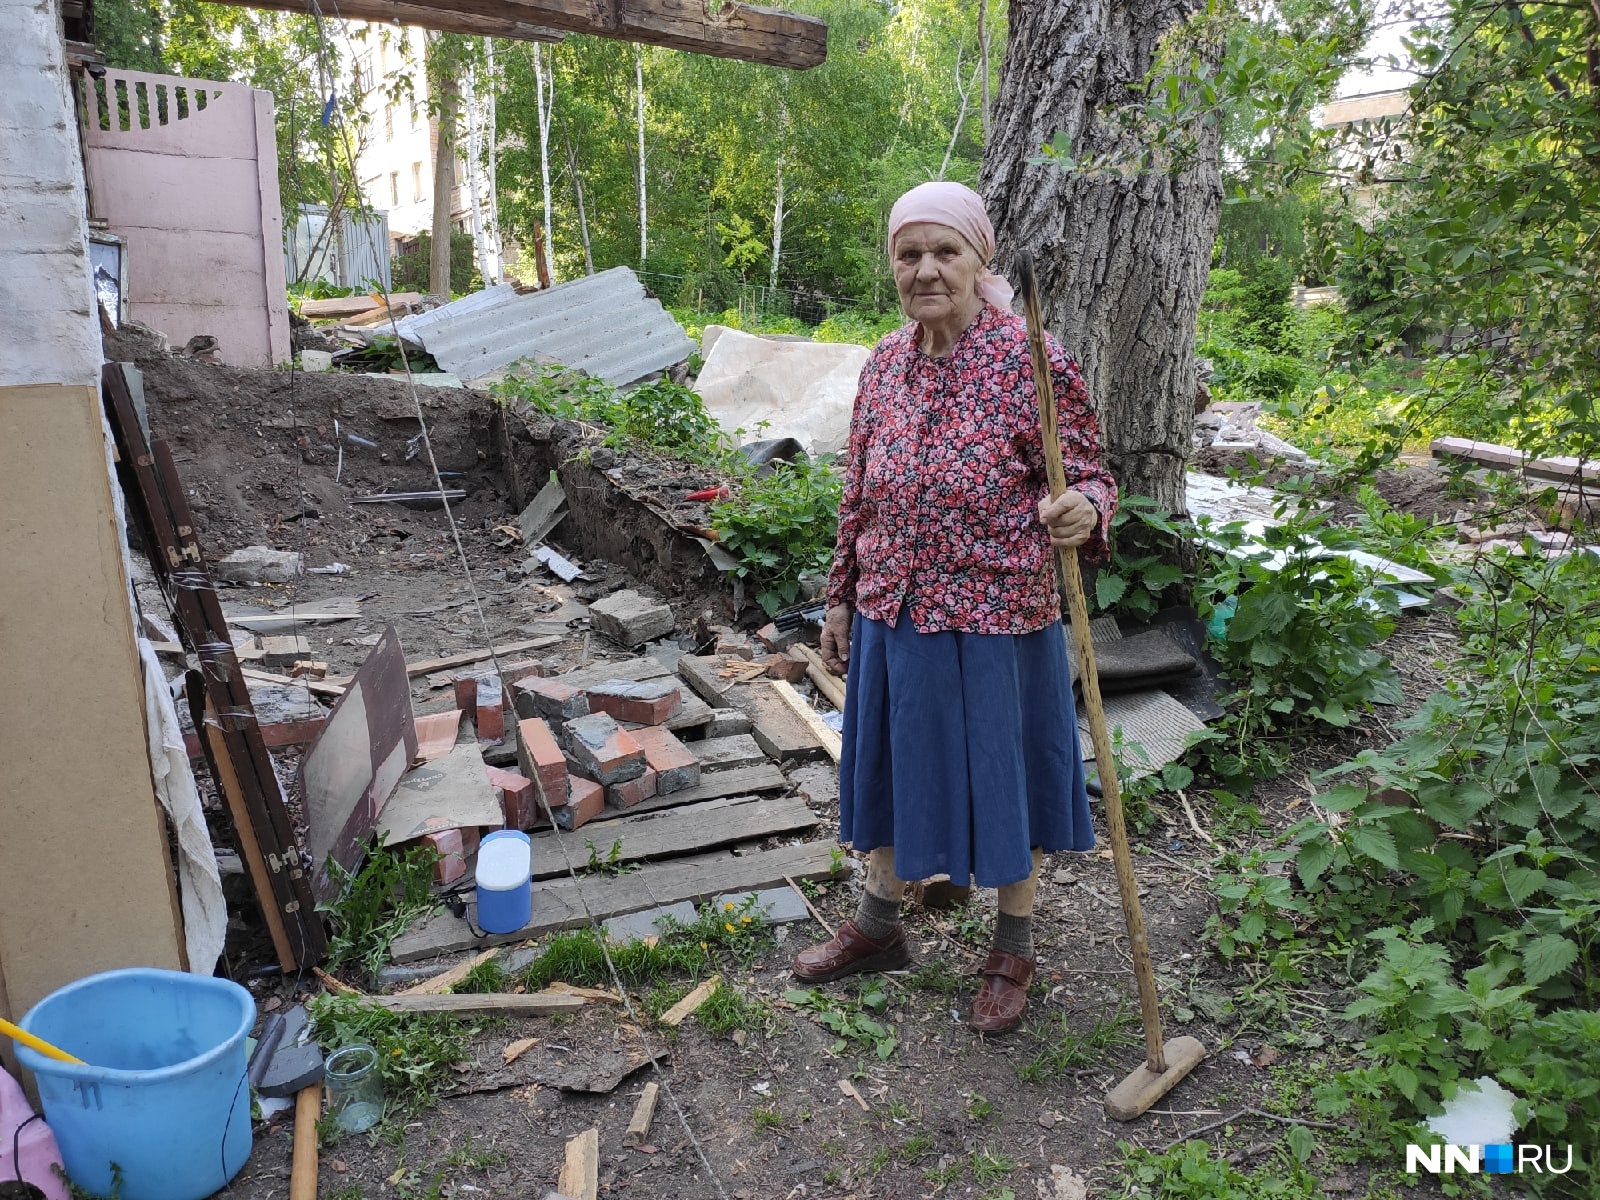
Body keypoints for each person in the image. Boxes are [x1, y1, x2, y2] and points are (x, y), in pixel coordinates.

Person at [791, 181, 1118, 1034]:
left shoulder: (1031, 361)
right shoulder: (883, 364)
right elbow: (855, 497)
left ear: (982, 261)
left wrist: (1083, 508)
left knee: (1004, 776)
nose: (927, 269)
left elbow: (1091, 475)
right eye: (910, 254)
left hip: (997, 616)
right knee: (890, 767)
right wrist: (839, 601)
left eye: (946, 251)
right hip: (893, 609)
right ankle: (878, 926)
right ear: (893, 267)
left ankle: (1012, 944)